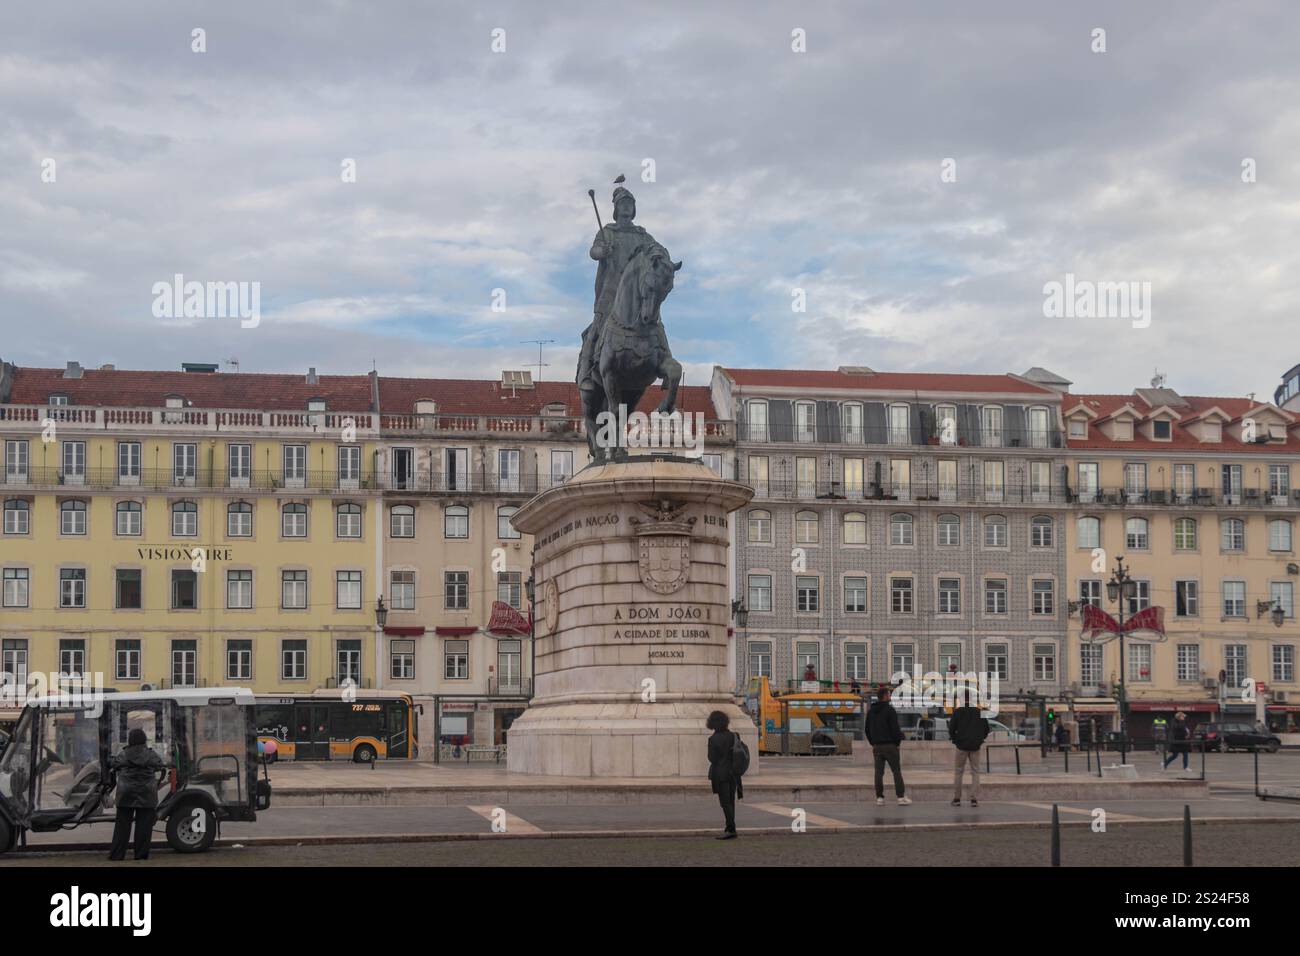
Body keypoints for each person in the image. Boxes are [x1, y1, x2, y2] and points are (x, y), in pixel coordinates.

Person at [107, 728, 165, 861]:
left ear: (130, 740)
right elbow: (160, 765)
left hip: (125, 793)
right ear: (144, 739)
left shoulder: (123, 754)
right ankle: (141, 855)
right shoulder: (150, 755)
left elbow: (114, 764)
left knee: (122, 826)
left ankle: (117, 855)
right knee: (144, 826)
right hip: (147, 793)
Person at [866, 686, 910, 806]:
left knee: (878, 773)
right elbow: (895, 729)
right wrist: (897, 743)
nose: (890, 696)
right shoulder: (890, 710)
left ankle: (879, 798)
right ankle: (900, 797)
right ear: (885, 696)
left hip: (877, 747)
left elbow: (867, 730)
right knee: (896, 771)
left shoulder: (871, 711)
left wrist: (873, 742)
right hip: (890, 745)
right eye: (889, 694)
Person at [948, 692, 989, 807]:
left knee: (958, 772)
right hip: (975, 747)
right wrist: (980, 740)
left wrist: (956, 741)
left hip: (961, 746)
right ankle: (974, 799)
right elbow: (986, 729)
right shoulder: (980, 712)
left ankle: (957, 799)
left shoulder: (957, 712)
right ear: (972, 699)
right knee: (975, 772)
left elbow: (951, 729)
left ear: (961, 699)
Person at [706, 710, 743, 839]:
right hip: (733, 773)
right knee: (731, 801)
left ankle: (731, 829)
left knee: (725, 802)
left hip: (720, 774)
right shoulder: (734, 736)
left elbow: (712, 758)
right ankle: (730, 827)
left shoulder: (713, 739)